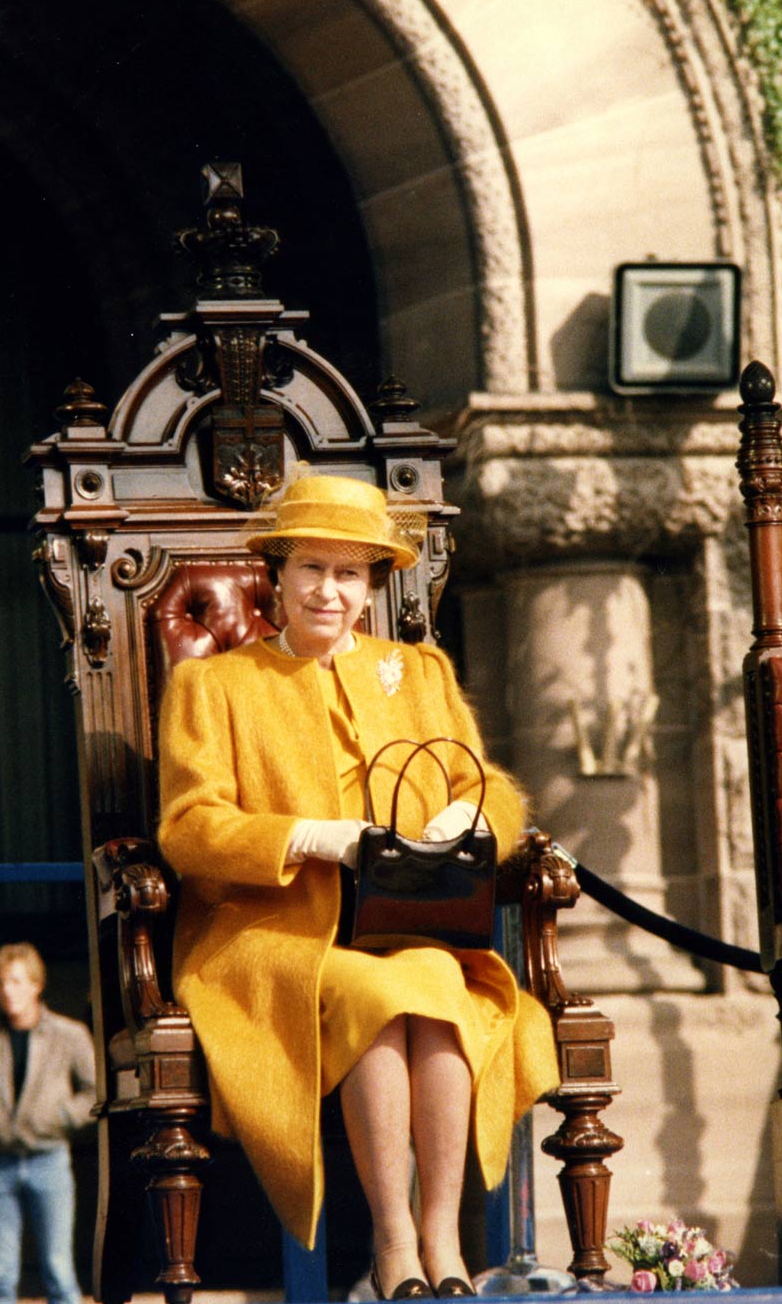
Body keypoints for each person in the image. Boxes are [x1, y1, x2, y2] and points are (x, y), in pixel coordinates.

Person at [156, 473, 559, 1300]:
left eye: (348, 574)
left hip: (406, 924)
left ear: (372, 585)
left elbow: (492, 786)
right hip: (275, 934)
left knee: (439, 981)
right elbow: (187, 829)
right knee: (383, 990)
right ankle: (393, 1239)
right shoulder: (216, 684)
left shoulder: (418, 673)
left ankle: (441, 1240)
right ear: (276, 573)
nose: (327, 591)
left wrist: (469, 820)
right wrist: (307, 837)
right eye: (310, 568)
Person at [0, 943, 95, 1304]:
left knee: (58, 1267)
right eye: (2, 983)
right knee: (1, 1272)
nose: (9, 991)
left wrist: (60, 1117)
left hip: (49, 1157)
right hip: (0, 1161)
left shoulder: (68, 1035)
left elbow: (94, 1091)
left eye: (18, 981)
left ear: (36, 984)